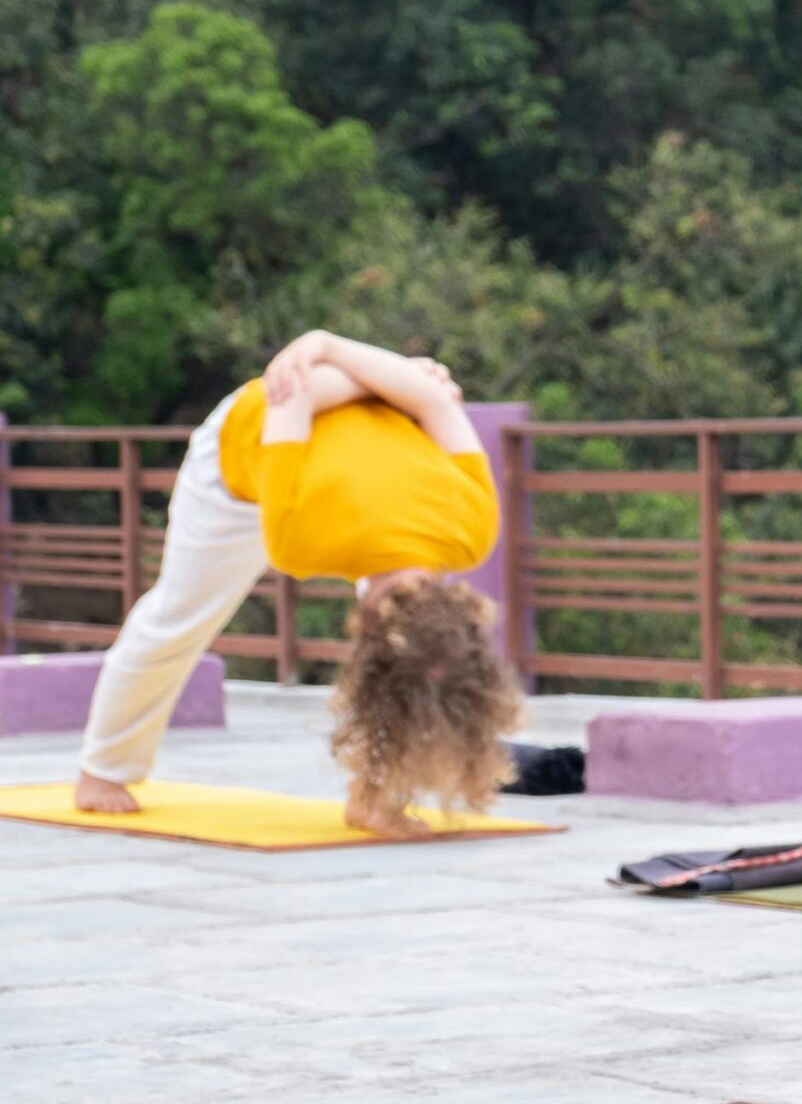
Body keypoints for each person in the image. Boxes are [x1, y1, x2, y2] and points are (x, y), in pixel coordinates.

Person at [72, 332, 520, 836]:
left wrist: (386, 378)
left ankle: (374, 798)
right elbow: (285, 394)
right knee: (180, 616)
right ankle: (102, 770)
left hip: (325, 445)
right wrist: (344, 358)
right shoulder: (303, 541)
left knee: (411, 673)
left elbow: (431, 397)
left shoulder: (476, 530)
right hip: (238, 462)